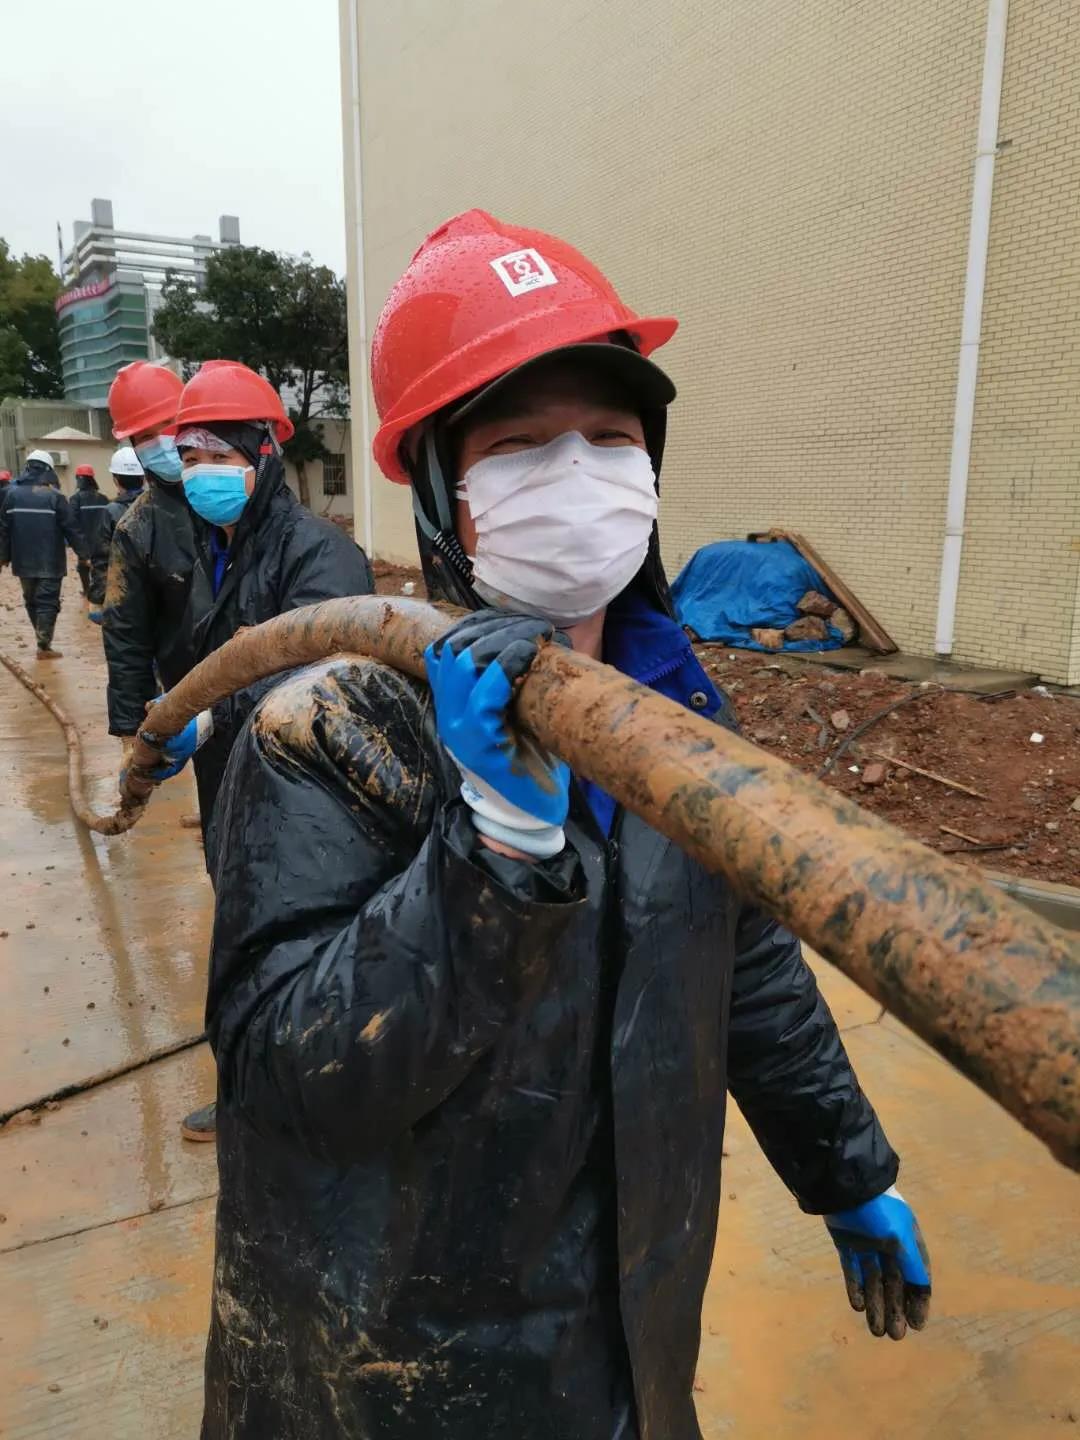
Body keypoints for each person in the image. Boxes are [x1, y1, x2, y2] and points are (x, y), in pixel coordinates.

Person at [198, 211, 932, 1440]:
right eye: (522, 446)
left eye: (610, 438)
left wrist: (845, 1168)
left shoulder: (680, 715)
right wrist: (491, 856)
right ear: (446, 493)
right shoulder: (332, 727)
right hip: (402, 1365)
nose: (579, 476)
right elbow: (287, 1075)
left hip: (631, 1325)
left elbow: (746, 966)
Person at [150, 359, 375, 1143]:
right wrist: (169, 712)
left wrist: (210, 717)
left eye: (219, 453)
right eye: (190, 455)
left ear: (264, 453)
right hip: (231, 780)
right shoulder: (217, 543)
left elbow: (316, 675)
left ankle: (293, 1102)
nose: (201, 471)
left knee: (297, 943)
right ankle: (255, 1088)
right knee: (242, 934)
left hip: (301, 788)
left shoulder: (317, 553)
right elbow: (206, 652)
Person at [101, 361, 213, 774]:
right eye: (146, 436)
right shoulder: (137, 530)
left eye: (168, 425)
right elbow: (126, 636)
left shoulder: (233, 493)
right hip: (194, 699)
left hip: (260, 684)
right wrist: (131, 731)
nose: (162, 442)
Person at [0, 449, 86, 656]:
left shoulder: (12, 496)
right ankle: (43, 645)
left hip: (23, 562)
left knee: (31, 600)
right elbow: (72, 529)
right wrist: (84, 554)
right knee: (47, 601)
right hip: (50, 561)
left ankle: (41, 639)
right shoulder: (56, 497)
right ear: (49, 470)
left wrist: (3, 557)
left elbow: (3, 530)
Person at [87, 447, 145, 616]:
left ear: (115, 480)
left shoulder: (111, 511)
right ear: (143, 478)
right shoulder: (157, 506)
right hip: (155, 595)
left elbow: (102, 558)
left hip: (122, 594)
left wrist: (97, 598)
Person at [67, 464, 109, 601]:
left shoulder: (75, 499)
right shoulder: (103, 498)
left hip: (83, 540)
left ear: (79, 479)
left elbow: (71, 522)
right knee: (101, 567)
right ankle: (101, 592)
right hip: (102, 540)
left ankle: (86, 591)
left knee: (83, 566)